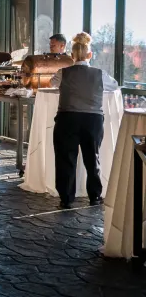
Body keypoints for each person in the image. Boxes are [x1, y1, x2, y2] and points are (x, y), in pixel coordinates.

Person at [49, 32, 119, 209]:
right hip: (92, 120)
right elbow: (115, 85)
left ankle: (66, 198)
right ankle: (95, 196)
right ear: (90, 55)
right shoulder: (100, 74)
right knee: (92, 158)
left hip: (67, 119)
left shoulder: (62, 73)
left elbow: (52, 84)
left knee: (66, 159)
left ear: (71, 56)